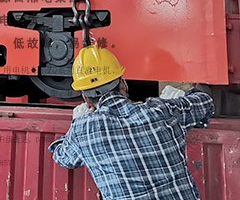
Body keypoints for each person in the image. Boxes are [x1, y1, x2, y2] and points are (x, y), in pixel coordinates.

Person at [48, 46, 214, 200]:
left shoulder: (83, 130)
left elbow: (62, 156)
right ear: (122, 84)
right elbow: (205, 102)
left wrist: (77, 122)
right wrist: (177, 98)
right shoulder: (161, 110)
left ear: (86, 99)